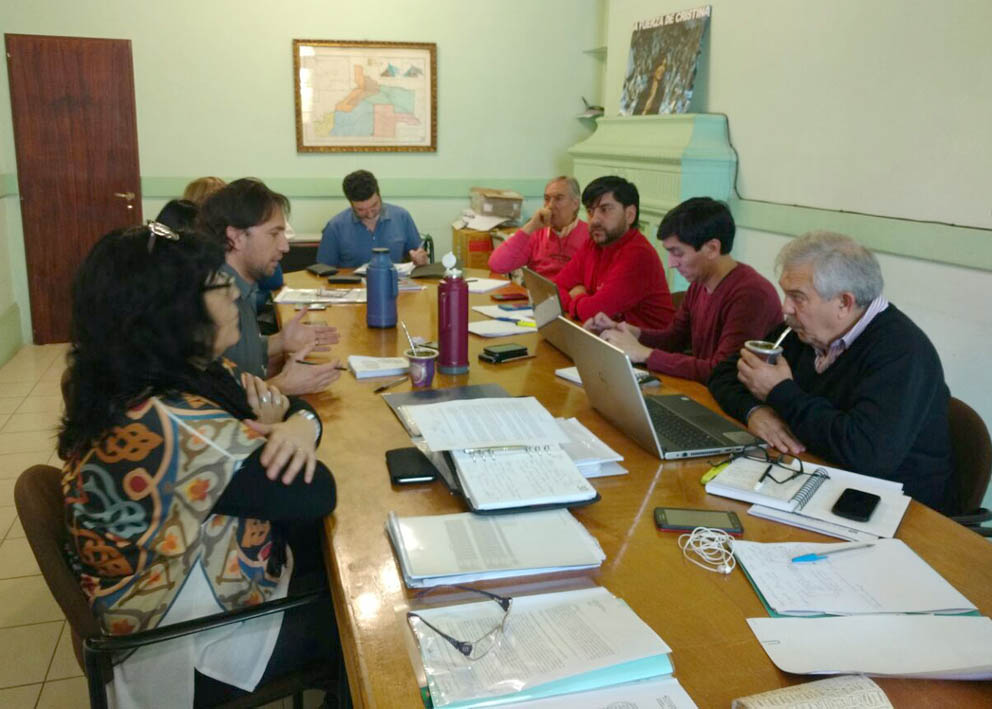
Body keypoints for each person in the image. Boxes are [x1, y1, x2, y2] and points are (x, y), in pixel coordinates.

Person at [59, 223, 341, 707]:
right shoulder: (165, 422)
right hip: (184, 643)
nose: (234, 291)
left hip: (185, 591)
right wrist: (277, 420)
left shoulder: (160, 370)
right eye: (216, 285)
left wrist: (296, 426)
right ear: (170, 314)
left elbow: (285, 405)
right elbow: (317, 490)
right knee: (362, 614)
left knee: (333, 555)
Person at [707, 231, 954, 512]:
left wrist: (779, 393)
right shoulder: (800, 330)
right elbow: (724, 373)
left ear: (843, 303)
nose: (785, 307)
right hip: (816, 476)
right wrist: (755, 411)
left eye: (797, 297)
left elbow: (867, 453)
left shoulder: (903, 352)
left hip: (896, 509)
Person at [585, 197, 781, 382]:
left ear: (712, 248)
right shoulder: (699, 284)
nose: (671, 263)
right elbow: (674, 338)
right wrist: (631, 332)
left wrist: (645, 354)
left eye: (677, 253)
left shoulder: (751, 295)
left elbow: (722, 371)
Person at [198, 178, 341, 395]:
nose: (284, 246)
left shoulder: (237, 285)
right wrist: (281, 386)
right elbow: (209, 401)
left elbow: (237, 356)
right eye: (274, 234)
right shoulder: (214, 300)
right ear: (236, 237)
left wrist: (279, 341)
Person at [553, 175, 675, 329]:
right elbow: (553, 290)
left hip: (645, 349)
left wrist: (576, 297)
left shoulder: (639, 254)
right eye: (590, 211)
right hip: (609, 341)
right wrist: (585, 302)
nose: (594, 220)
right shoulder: (593, 244)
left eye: (605, 209)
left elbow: (593, 312)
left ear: (629, 214)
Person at [318, 169, 428, 267]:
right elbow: (324, 271)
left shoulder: (402, 217)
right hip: (351, 287)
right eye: (361, 210)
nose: (370, 214)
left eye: (374, 206)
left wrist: (420, 259)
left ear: (379, 195)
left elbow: (418, 255)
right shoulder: (335, 227)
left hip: (394, 285)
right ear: (350, 203)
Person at [487, 176, 589, 279]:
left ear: (575, 204)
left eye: (558, 198)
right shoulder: (536, 233)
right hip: (538, 293)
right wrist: (530, 226)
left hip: (570, 294)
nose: (550, 205)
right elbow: (497, 266)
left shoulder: (589, 235)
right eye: (547, 199)